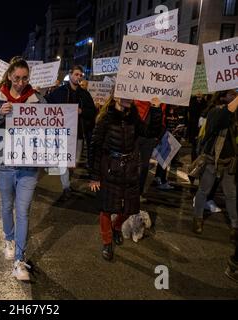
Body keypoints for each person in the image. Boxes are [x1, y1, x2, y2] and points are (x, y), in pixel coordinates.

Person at [0, 57, 46, 281]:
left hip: (29, 166)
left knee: (23, 211)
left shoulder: (39, 100)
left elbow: (53, 126)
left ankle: (19, 260)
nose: (20, 82)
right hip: (5, 164)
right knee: (7, 205)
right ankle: (9, 237)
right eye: (16, 78)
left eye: (25, 78)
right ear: (8, 76)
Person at [87, 97, 162, 261]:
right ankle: (107, 242)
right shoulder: (105, 118)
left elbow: (150, 133)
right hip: (109, 168)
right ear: (116, 97)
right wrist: (94, 176)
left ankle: (117, 226)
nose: (129, 98)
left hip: (129, 169)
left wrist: (156, 109)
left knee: (129, 207)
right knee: (106, 208)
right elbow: (95, 148)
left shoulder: (133, 117)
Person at [45, 65, 96, 201]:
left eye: (81, 75)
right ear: (70, 74)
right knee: (63, 160)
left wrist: (82, 111)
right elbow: (46, 105)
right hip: (62, 133)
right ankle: (66, 186)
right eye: (76, 74)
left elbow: (92, 112)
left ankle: (67, 180)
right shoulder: (60, 91)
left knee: (74, 162)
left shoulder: (85, 94)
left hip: (78, 133)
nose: (78, 77)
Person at [193, 90, 238, 241]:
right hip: (212, 160)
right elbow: (224, 118)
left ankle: (235, 225)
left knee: (231, 195)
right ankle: (197, 218)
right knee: (204, 190)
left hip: (229, 161)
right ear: (223, 97)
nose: (235, 97)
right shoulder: (215, 113)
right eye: (232, 94)